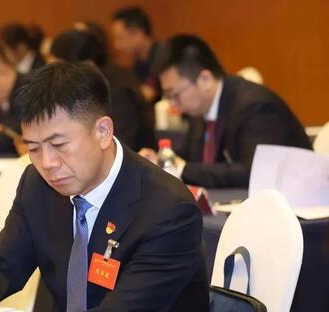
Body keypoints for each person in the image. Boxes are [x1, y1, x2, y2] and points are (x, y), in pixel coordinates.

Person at [0, 62, 215, 312]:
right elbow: (5, 260)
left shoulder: (167, 208)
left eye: (59, 145)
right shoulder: (38, 185)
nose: (48, 163)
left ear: (102, 132)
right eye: (34, 148)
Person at [144, 34, 312, 188]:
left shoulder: (255, 107)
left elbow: (252, 172)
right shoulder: (201, 109)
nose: (172, 104)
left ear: (205, 80)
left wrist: (182, 169)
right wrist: (160, 161)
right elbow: (191, 158)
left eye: (175, 95)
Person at [50, 29, 155, 152]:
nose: (56, 78)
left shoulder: (118, 91)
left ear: (87, 64)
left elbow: (120, 144)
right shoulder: (86, 86)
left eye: (61, 70)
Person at [111, 7, 162, 103]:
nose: (116, 45)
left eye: (120, 38)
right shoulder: (138, 62)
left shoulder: (164, 57)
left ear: (139, 33)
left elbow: (149, 94)